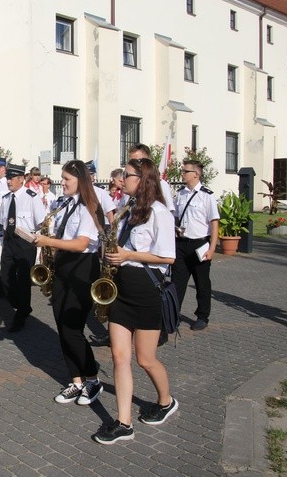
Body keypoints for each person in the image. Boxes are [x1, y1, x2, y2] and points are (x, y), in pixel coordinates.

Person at [92, 158, 178, 444]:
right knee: (119, 356)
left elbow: (167, 257)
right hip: (122, 288)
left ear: (143, 179)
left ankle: (166, 401)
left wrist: (129, 255)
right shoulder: (128, 210)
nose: (121, 180)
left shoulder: (159, 212)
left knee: (145, 359)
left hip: (146, 290)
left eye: (127, 176)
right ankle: (124, 422)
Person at [33, 160, 105, 406]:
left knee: (73, 327)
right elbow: (61, 235)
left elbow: (81, 243)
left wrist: (48, 242)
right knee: (62, 325)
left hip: (83, 268)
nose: (61, 183)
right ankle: (76, 381)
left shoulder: (88, 207)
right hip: (63, 265)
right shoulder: (62, 204)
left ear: (80, 182)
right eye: (62, 178)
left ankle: (93, 379)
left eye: (67, 180)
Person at [172, 159, 219, 330]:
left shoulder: (207, 195)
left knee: (202, 282)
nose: (182, 174)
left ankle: (202, 316)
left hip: (200, 245)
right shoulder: (181, 193)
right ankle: (173, 315)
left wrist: (212, 248)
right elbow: (176, 217)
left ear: (196, 174)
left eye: (185, 171)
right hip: (182, 244)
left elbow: (214, 223)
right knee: (177, 282)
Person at [0, 164, 46, 332]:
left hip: (25, 243)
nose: (8, 181)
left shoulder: (31, 197)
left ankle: (21, 315)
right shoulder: (5, 198)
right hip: (10, 242)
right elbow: (4, 224)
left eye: (11, 178)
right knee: (4, 276)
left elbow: (42, 222)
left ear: (21, 179)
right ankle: (22, 305)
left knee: (24, 280)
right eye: (7, 178)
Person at [128, 144, 175, 216]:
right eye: (131, 161)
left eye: (138, 161)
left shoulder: (161, 184)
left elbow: (168, 212)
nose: (133, 165)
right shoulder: (129, 184)